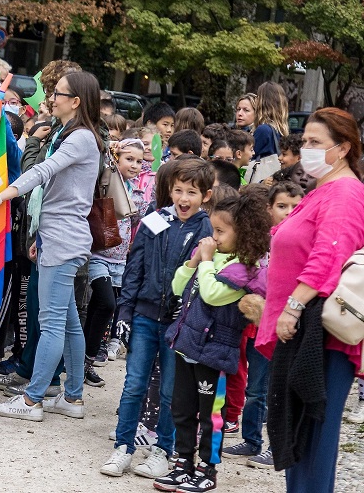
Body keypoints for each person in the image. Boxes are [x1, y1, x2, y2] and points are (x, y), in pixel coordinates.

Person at [0, 71, 102, 423]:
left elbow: (42, 172)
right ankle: (73, 398)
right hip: (60, 237)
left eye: (58, 93)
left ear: (75, 101)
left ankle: (32, 400)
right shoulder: (69, 134)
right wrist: (39, 236)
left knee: (50, 324)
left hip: (64, 241)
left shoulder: (78, 138)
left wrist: (1, 195)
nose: (52, 97)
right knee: (70, 324)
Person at [256, 107, 364, 493]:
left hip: (320, 331)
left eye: (316, 143)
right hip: (304, 330)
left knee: (313, 435)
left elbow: (330, 254)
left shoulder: (346, 191)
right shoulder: (326, 189)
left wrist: (293, 306)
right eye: (304, 142)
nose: (306, 150)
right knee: (296, 433)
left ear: (343, 148)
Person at [101, 156, 215, 479]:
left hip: (177, 324)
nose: (183, 198)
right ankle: (123, 447)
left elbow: (202, 275)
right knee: (134, 383)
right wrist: (124, 311)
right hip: (144, 316)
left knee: (169, 390)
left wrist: (188, 307)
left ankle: (163, 450)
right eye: (178, 190)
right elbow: (134, 266)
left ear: (205, 195)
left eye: (192, 192)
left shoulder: (206, 228)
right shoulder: (154, 218)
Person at [155, 189, 271, 492]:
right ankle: (183, 463)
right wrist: (194, 261)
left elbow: (212, 294)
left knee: (211, 417)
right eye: (213, 230)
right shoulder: (212, 258)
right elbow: (179, 287)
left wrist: (205, 262)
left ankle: (208, 470)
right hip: (188, 346)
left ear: (243, 233)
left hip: (215, 354)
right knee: (181, 408)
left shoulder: (244, 269)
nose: (214, 236)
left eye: (221, 231)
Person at [222, 181, 303, 470]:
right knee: (255, 389)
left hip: (288, 326)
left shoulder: (302, 243)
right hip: (259, 327)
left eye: (295, 206)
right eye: (282, 206)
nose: (289, 212)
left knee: (277, 391)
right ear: (269, 209)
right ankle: (251, 440)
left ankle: (275, 446)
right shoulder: (260, 240)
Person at [85, 138, 150, 387]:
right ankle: (86, 355)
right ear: (116, 158)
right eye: (129, 159)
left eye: (138, 161)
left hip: (120, 261)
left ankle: (86, 362)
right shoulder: (104, 182)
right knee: (106, 303)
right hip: (98, 255)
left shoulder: (137, 191)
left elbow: (136, 225)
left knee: (100, 310)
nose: (134, 165)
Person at [252, 82, 289, 160]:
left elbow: (249, 159)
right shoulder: (281, 131)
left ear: (263, 102)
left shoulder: (263, 130)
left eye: (257, 97)